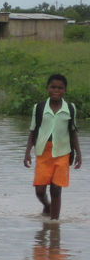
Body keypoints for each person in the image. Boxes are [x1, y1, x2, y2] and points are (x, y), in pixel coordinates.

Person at [24, 74, 82, 220]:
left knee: (56, 188)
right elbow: (32, 130)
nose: (56, 90)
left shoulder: (70, 108)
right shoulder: (39, 108)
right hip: (43, 152)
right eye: (53, 87)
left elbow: (73, 132)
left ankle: (54, 223)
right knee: (39, 189)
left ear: (65, 90)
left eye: (60, 88)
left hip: (63, 152)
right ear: (47, 88)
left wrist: (79, 154)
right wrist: (27, 152)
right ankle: (47, 206)